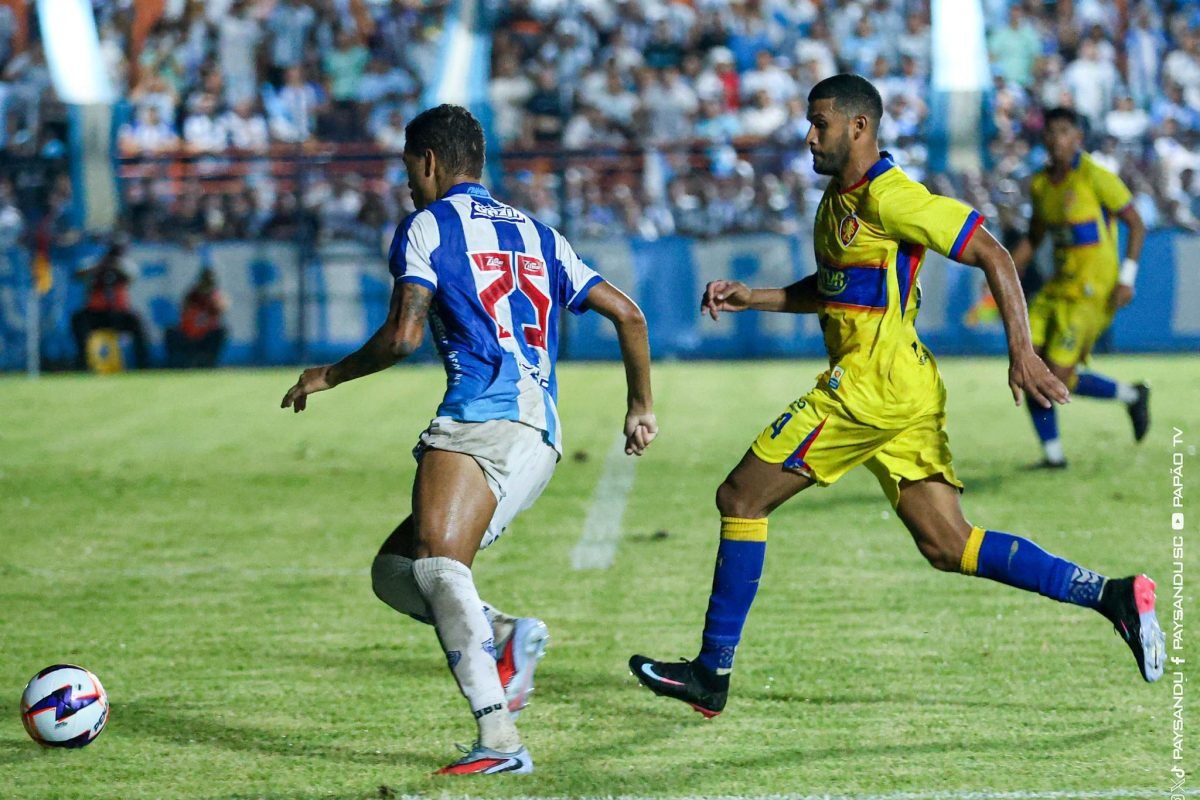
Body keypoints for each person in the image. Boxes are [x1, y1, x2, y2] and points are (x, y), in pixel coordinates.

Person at [629, 75, 1164, 719]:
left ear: (859, 126)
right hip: (900, 387)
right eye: (808, 121)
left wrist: (1021, 350)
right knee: (950, 545)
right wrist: (757, 295)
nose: (809, 135)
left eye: (819, 122)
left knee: (740, 497)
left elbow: (993, 253)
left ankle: (710, 674)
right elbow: (834, 289)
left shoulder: (893, 195)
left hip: (870, 387)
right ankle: (1111, 595)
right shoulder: (836, 202)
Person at [281, 105, 656, 774]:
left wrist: (329, 374)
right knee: (396, 573)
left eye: (407, 169)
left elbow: (402, 337)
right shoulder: (540, 232)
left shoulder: (426, 227)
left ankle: (498, 739)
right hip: (540, 433)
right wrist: (640, 408)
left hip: (480, 422)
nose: (406, 184)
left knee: (434, 569)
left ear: (427, 162)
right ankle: (508, 637)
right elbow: (628, 313)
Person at [1011, 107, 1149, 469]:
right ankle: (1054, 456)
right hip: (1057, 288)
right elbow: (1036, 235)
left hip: (1093, 291)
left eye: (1064, 131)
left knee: (1057, 377)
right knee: (1028, 367)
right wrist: (1006, 267)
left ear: (1078, 139)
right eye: (1051, 131)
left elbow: (1136, 224)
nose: (1057, 139)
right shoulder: (1041, 185)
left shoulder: (1095, 177)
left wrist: (1127, 277)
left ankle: (1131, 395)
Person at [70, 238, 148, 369]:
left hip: (119, 313)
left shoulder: (125, 265)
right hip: (96, 313)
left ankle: (143, 364)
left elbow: (131, 276)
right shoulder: (96, 262)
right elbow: (77, 274)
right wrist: (99, 268)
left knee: (137, 322)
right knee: (78, 319)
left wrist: (115, 266)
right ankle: (83, 362)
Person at [166, 268, 227, 368]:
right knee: (170, 331)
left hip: (206, 336)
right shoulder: (192, 295)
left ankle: (208, 361)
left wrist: (214, 300)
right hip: (189, 334)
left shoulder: (215, 298)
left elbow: (223, 307)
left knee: (221, 331)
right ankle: (177, 362)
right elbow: (185, 313)